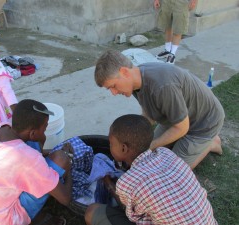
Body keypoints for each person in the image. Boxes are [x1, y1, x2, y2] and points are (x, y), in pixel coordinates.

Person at [94, 50, 224, 169]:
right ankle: (190, 143)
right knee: (150, 153)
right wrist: (137, 138)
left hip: (203, 124)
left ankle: (210, 143)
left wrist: (150, 146)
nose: (114, 92)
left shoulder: (162, 87)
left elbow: (182, 128)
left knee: (173, 171)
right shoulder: (135, 81)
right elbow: (148, 112)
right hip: (176, 119)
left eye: (113, 86)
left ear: (124, 72)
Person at [85, 114, 218, 225]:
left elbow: (132, 215)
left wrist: (109, 185)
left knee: (92, 212)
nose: (110, 146)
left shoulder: (127, 182)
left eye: (111, 144)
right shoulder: (166, 153)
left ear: (124, 149)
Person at [0, 99, 72, 225]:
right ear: (32, 133)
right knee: (61, 159)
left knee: (36, 146)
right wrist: (69, 163)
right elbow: (66, 198)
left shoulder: (3, 127)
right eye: (45, 128)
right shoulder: (26, 158)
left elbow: (30, 155)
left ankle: (37, 205)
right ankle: (31, 219)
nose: (45, 132)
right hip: (8, 219)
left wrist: (44, 147)